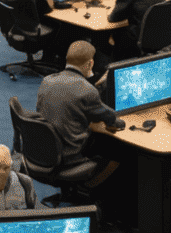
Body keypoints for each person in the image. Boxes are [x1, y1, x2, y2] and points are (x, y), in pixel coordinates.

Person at [35, 42, 123, 171]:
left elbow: (75, 99)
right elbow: (110, 117)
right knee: (116, 146)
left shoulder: (47, 81)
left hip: (46, 150)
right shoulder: (87, 90)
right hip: (71, 152)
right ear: (90, 64)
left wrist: (96, 88)